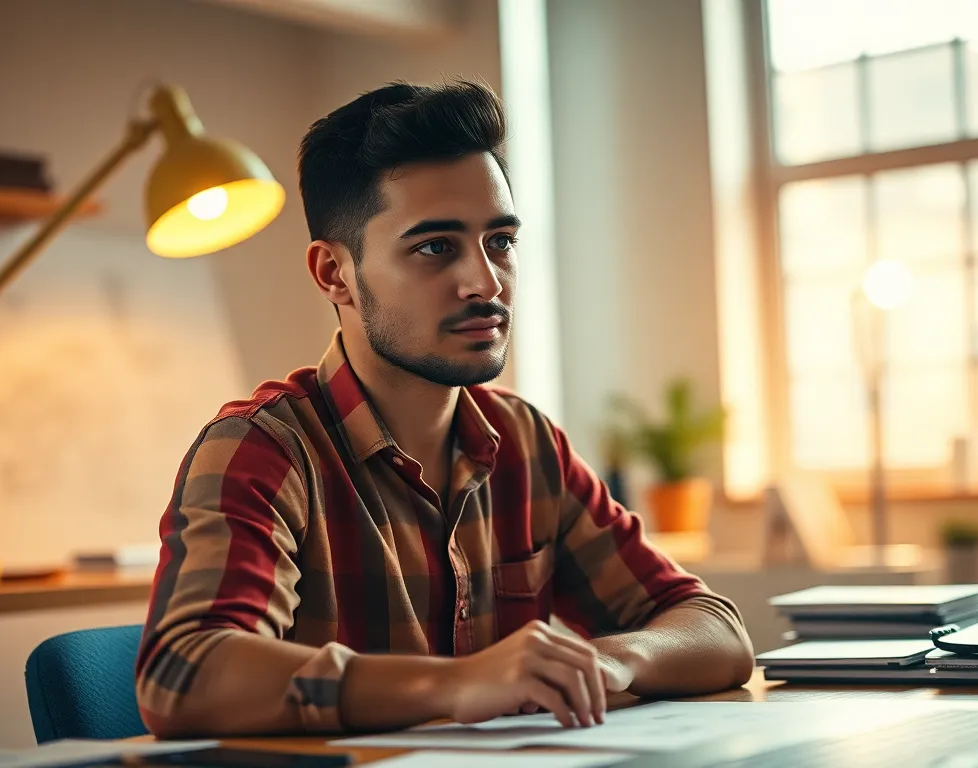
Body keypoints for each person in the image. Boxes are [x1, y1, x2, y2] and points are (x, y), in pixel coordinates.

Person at [135, 79, 753, 738]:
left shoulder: (526, 442)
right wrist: (461, 684)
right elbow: (182, 675)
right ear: (333, 274)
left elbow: (716, 631)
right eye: (435, 247)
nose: (485, 282)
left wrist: (612, 661)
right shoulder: (261, 450)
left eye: (500, 242)